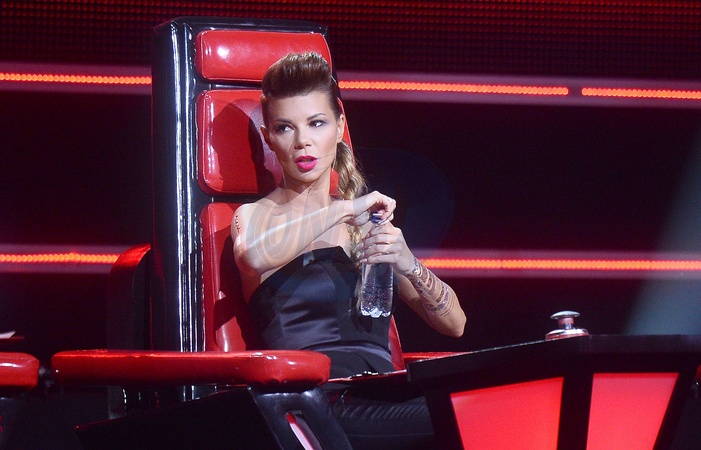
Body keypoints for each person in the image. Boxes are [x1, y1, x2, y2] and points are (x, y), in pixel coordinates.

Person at [232, 51, 466, 449]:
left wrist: (408, 263)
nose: (303, 141)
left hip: (385, 392)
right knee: (465, 417)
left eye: (316, 123)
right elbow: (253, 257)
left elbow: (455, 325)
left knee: (496, 400)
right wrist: (341, 208)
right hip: (317, 402)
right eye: (285, 128)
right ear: (269, 137)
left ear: (339, 126)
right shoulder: (257, 216)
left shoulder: (367, 225)